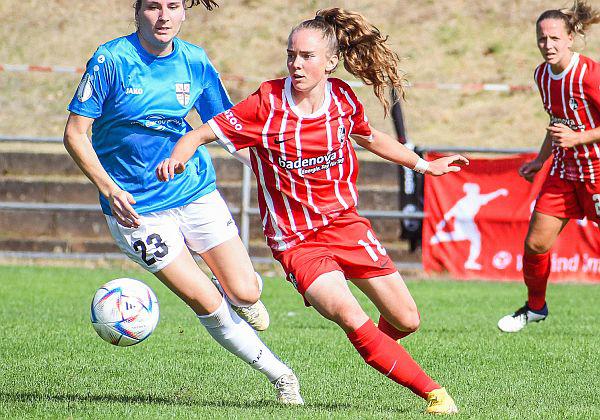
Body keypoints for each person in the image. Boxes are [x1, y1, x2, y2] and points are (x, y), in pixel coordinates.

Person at [157, 8, 469, 414]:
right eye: (291, 55)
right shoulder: (267, 102)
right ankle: (435, 394)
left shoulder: (341, 99)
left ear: (330, 62)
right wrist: (178, 155)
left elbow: (370, 137)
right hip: (296, 241)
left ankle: (374, 349)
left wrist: (425, 165)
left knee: (407, 319)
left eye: (307, 56)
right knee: (348, 312)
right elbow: (200, 133)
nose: (296, 64)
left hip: (345, 224)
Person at [63, 0, 303, 404]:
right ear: (137, 11)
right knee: (206, 301)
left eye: (173, 6)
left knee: (244, 293)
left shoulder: (194, 61)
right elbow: (75, 134)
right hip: (136, 211)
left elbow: (227, 127)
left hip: (193, 190)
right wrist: (108, 187)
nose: (163, 16)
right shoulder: (111, 60)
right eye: (153, 7)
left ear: (184, 12)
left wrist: (275, 171)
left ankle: (239, 295)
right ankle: (282, 377)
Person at [497, 0, 600, 333]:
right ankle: (535, 308)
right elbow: (557, 123)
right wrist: (541, 160)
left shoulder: (590, 74)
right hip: (564, 172)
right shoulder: (542, 75)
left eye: (555, 38)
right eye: (542, 39)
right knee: (536, 244)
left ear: (570, 38)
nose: (548, 45)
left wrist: (579, 138)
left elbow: (573, 133)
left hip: (597, 173)